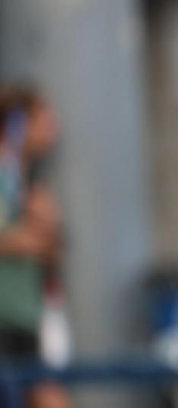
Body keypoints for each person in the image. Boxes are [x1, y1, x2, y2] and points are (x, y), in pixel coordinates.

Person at [0, 84, 70, 408]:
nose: (52, 129)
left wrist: (47, 232)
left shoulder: (28, 179)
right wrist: (37, 236)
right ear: (17, 123)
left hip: (25, 318)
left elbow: (53, 247)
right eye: (43, 120)